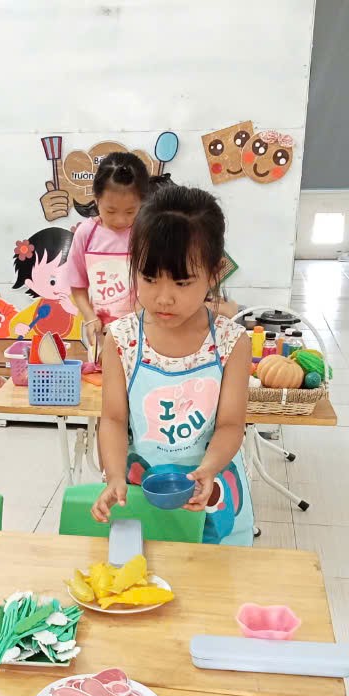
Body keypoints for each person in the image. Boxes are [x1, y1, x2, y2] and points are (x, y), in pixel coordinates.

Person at [91, 185, 254, 545]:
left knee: (216, 574)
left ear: (215, 272)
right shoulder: (121, 338)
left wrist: (207, 470)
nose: (163, 298)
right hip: (143, 488)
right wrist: (114, 475)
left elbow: (230, 425)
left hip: (213, 488)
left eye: (182, 282)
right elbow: (113, 419)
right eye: (149, 278)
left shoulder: (231, 341)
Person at [63, 152, 151, 360]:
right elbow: (78, 286)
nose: (120, 220)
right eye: (111, 211)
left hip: (143, 329)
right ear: (96, 199)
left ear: (142, 203)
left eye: (130, 212)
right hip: (101, 332)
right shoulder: (86, 234)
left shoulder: (145, 233)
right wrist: (89, 317)